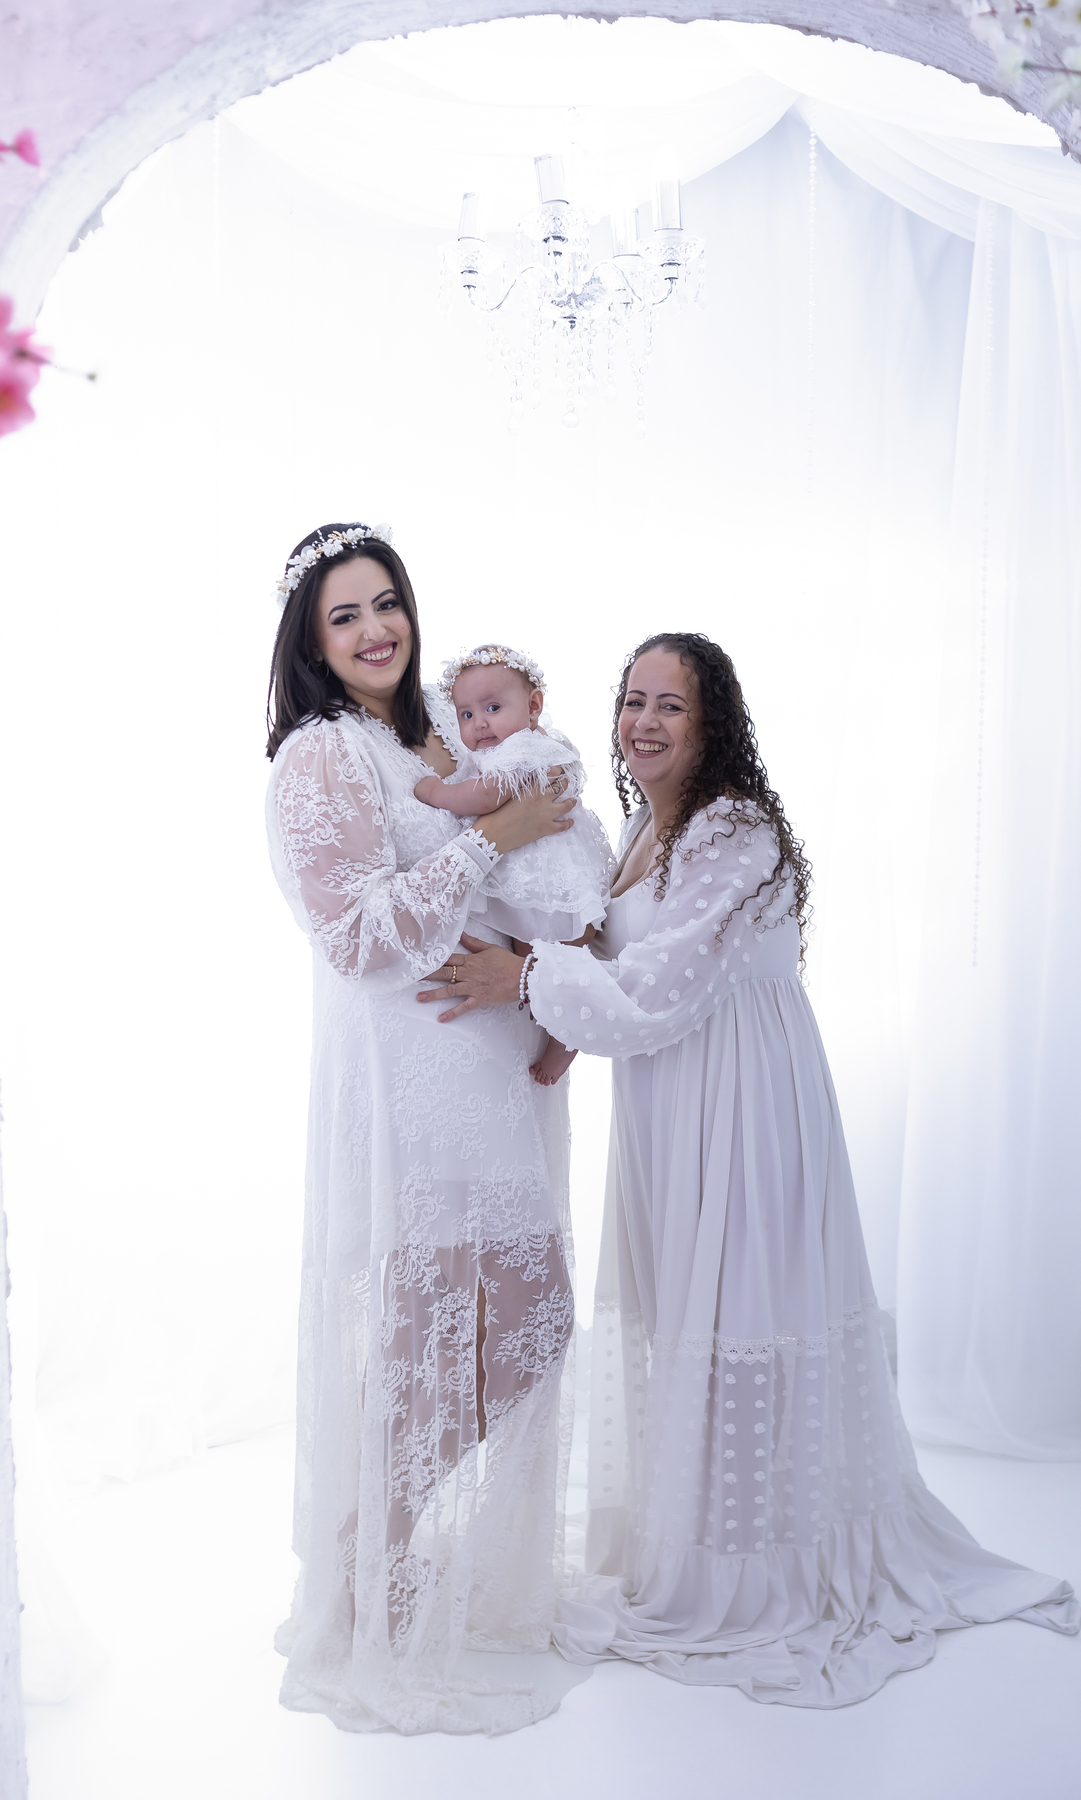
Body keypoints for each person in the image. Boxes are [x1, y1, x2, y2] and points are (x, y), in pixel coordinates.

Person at [419, 629, 1081, 1708]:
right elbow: (609, 959)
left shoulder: (733, 833)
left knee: (743, 1313)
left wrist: (526, 975)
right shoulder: (641, 828)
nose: (643, 721)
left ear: (713, 721)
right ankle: (694, 1535)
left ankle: (757, 1561)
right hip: (671, 1103)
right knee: (689, 1313)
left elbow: (659, 992)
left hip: (739, 1104)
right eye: (632, 700)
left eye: (670, 705)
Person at [264, 523, 580, 1736]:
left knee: (520, 1319)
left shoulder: (427, 741)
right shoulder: (319, 759)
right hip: (412, 1080)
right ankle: (368, 1557)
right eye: (345, 617)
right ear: (311, 641)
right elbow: (353, 938)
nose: (375, 631)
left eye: (386, 603)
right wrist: (492, 842)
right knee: (441, 1330)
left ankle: (375, 1546)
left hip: (484, 1073)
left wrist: (546, 977)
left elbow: (509, 879)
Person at [414, 643, 614, 1087]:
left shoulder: (523, 748)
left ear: (534, 705)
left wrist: (437, 793)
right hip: (538, 875)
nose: (479, 723)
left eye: (492, 707)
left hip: (550, 878)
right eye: (466, 714)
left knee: (555, 960)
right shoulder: (515, 744)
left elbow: (488, 796)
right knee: (538, 956)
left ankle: (565, 1041)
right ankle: (557, 1032)